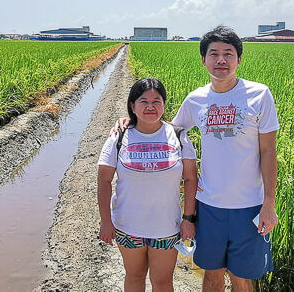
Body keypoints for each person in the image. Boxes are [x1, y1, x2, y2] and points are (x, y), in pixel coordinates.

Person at [114, 26, 280, 292]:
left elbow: (268, 151)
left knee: (242, 278)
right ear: (204, 60)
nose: (221, 60)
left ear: (239, 59)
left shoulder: (260, 95)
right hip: (209, 205)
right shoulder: (196, 100)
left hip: (249, 205)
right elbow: (168, 129)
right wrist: (131, 121)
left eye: (228, 53)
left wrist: (269, 203)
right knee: (211, 274)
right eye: (213, 54)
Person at [98, 78, 198, 292]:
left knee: (162, 283)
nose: (150, 107)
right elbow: (104, 180)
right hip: (127, 226)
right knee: (135, 276)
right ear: (132, 106)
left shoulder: (179, 136)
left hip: (166, 227)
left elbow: (191, 179)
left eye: (157, 101)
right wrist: (106, 221)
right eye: (143, 101)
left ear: (164, 104)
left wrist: (188, 219)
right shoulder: (120, 136)